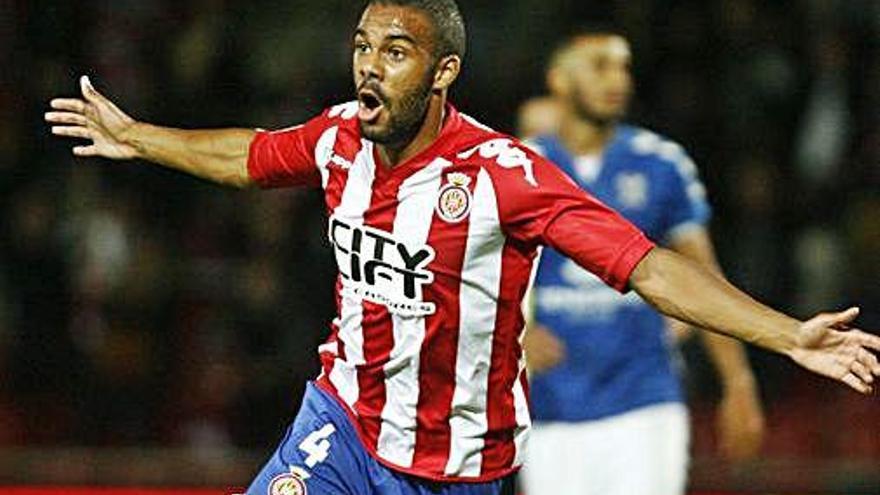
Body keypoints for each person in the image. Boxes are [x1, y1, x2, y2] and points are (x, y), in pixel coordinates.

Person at [45, 1, 880, 494]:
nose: (369, 68)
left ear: (443, 72)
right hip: (340, 424)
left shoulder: (503, 175)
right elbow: (251, 156)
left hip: (459, 465)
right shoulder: (339, 136)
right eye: (364, 46)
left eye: (396, 53)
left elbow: (650, 266)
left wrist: (784, 332)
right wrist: (141, 137)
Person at [519, 30, 764, 495]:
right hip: (551, 405)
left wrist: (738, 380)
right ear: (559, 79)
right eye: (599, 66)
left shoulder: (661, 164)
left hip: (645, 401)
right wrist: (513, 334)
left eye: (623, 67)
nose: (617, 79)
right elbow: (471, 273)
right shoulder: (523, 165)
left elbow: (706, 279)